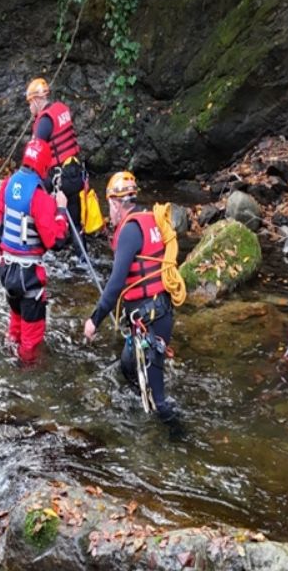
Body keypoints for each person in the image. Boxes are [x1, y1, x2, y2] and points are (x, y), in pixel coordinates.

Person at [83, 171, 179, 424]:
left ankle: (179, 441)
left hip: (151, 320)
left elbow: (115, 285)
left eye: (109, 206)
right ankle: (136, 413)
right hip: (157, 313)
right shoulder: (149, 220)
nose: (109, 213)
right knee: (128, 366)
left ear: (116, 203)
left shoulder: (128, 231)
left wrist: (94, 320)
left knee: (158, 400)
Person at [0, 138, 70, 363]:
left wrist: (6, 254)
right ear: (44, 166)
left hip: (7, 271)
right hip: (29, 276)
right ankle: (27, 376)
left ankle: (8, 356)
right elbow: (56, 240)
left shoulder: (7, 184)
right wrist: (61, 210)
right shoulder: (40, 197)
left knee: (15, 323)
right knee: (31, 340)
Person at [27, 77, 86, 238]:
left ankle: (46, 238)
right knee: (74, 218)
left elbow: (35, 153)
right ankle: (79, 253)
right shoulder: (60, 110)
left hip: (61, 178)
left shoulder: (45, 121)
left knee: (34, 195)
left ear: (37, 100)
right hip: (75, 173)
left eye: (30, 103)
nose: (30, 107)